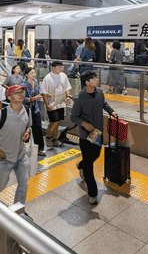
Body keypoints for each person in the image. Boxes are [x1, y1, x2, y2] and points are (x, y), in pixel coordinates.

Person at [71, 70, 117, 204]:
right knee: (89, 165)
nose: (97, 80)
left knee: (95, 155)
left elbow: (104, 104)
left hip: (98, 134)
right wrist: (85, 124)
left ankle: (81, 164)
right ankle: (92, 194)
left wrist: (111, 111)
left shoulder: (100, 92)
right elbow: (73, 117)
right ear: (87, 83)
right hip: (85, 137)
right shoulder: (80, 98)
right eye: (94, 78)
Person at [0, 85, 32, 205]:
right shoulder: (1, 114)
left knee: (23, 185)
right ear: (9, 97)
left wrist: (27, 132)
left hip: (21, 155)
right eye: (17, 93)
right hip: (4, 157)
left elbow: (29, 126)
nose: (21, 94)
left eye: (22, 92)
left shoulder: (27, 110)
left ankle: (18, 210)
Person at [41, 61, 72, 148]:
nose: (61, 69)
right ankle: (48, 137)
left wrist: (68, 96)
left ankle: (55, 139)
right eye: (59, 67)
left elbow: (67, 87)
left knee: (58, 122)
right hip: (52, 103)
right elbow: (44, 93)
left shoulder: (63, 76)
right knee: (53, 121)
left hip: (61, 102)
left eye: (61, 67)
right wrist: (47, 104)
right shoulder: (47, 78)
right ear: (53, 67)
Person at [22, 67, 47, 157]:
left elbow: (38, 92)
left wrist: (43, 95)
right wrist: (33, 98)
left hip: (36, 108)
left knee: (38, 128)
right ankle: (24, 150)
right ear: (26, 75)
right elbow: (23, 100)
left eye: (34, 73)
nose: (34, 74)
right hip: (27, 110)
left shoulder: (36, 82)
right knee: (26, 130)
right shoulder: (23, 85)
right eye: (31, 73)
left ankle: (40, 148)